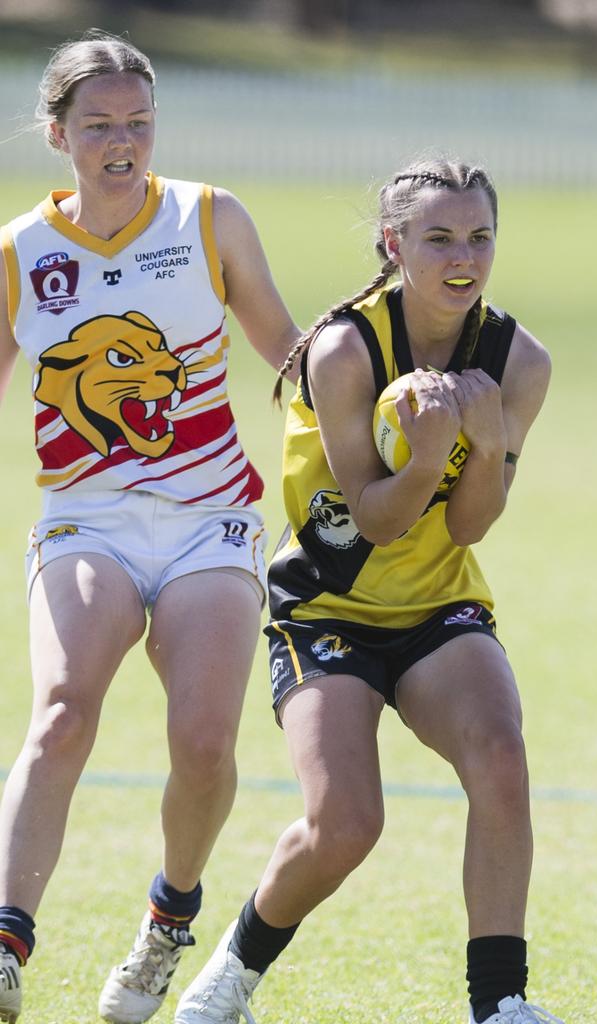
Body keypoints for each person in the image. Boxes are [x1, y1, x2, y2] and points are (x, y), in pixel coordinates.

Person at [174, 156, 563, 1024]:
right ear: (393, 243)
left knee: (501, 759)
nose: (462, 256)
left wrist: (490, 440)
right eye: (438, 238)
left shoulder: (518, 360)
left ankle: (501, 1006)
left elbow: (467, 528)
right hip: (325, 607)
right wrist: (429, 452)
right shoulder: (343, 349)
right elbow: (379, 521)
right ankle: (235, 970)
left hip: (436, 606)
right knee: (346, 823)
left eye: (479, 237)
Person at [0, 29, 299, 1024]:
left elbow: (289, 354)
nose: (121, 144)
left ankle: (166, 927)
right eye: (98, 127)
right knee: (63, 709)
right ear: (59, 134)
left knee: (205, 740)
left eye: (137, 123)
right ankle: (4, 943)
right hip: (84, 518)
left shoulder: (210, 218)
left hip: (210, 519)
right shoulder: (20, 252)